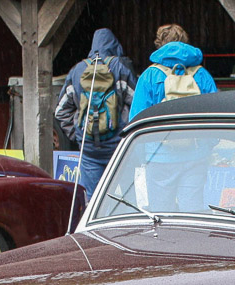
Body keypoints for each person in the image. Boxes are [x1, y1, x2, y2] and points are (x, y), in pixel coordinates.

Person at [129, 24, 220, 212]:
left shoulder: (149, 76)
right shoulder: (201, 74)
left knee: (161, 215)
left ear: (159, 44)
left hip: (159, 157)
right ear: (186, 43)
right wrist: (206, 146)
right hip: (195, 155)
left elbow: (136, 120)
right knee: (191, 211)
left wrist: (142, 157)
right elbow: (217, 115)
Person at [53, 28, 137, 199]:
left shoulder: (77, 71)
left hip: (90, 149)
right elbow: (137, 106)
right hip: (119, 148)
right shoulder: (120, 68)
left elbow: (61, 111)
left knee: (94, 199)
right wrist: (127, 134)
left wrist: (78, 134)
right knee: (127, 199)